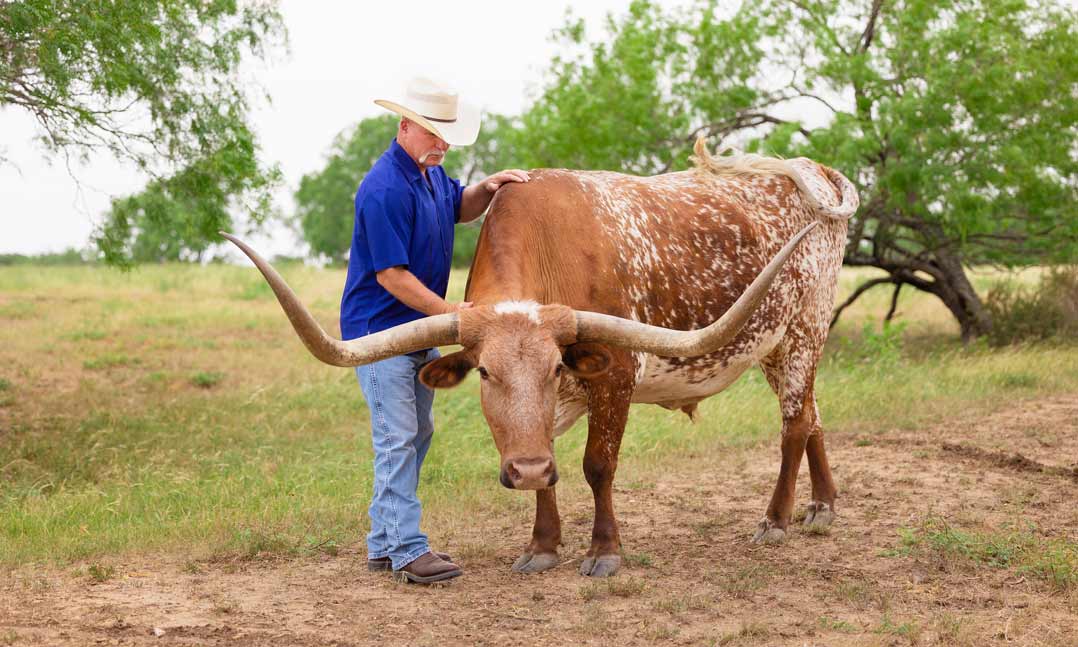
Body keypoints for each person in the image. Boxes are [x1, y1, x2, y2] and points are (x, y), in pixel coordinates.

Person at [340, 77, 529, 584]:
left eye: (447, 137)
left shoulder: (428, 176)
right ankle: (406, 548)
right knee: (399, 437)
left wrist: (487, 189)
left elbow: (458, 207)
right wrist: (453, 313)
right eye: (432, 134)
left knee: (415, 432)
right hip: (381, 333)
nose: (441, 145)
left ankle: (383, 541)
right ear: (405, 127)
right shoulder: (383, 188)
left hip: (419, 332)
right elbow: (390, 275)